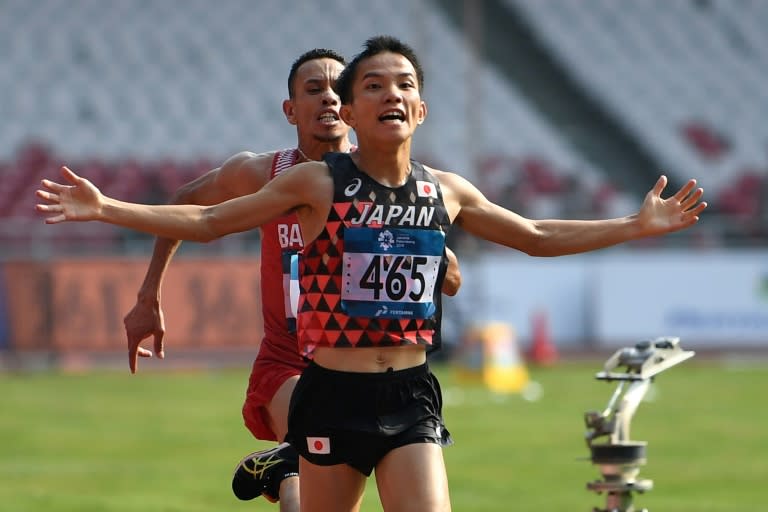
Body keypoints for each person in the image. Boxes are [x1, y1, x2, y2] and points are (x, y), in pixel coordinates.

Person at [36, 35, 707, 512]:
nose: (386, 94)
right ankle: (291, 460)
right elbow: (208, 220)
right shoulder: (307, 180)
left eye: (405, 85)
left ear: (420, 110)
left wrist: (634, 225)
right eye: (370, 86)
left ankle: (289, 460)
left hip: (408, 396)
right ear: (344, 113)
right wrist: (108, 210)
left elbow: (532, 235)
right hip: (318, 383)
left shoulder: (443, 191)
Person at [117, 47, 461, 510]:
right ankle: (291, 464)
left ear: (352, 107)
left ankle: (286, 462)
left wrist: (429, 257)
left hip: (364, 364)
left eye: (336, 89)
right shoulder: (262, 173)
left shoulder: (384, 183)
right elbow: (189, 205)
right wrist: (148, 293)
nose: (327, 100)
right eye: (312, 90)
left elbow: (437, 264)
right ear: (290, 110)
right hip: (289, 361)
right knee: (307, 474)